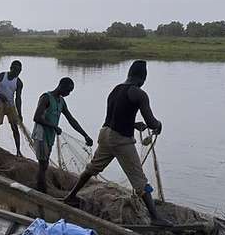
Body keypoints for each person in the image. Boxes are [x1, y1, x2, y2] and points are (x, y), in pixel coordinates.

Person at [63, 60, 169, 225]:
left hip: (105, 134)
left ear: (129, 74)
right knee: (139, 180)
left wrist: (134, 124)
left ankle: (70, 196)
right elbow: (152, 121)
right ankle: (156, 218)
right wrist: (158, 125)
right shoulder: (139, 93)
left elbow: (116, 116)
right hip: (121, 140)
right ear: (143, 78)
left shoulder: (116, 90)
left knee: (92, 168)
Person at [31, 77, 93, 193]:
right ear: (61, 86)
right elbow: (37, 117)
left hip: (50, 136)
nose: (68, 93)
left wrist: (85, 135)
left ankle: (40, 189)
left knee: (45, 164)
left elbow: (71, 119)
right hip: (41, 135)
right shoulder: (46, 98)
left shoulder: (61, 101)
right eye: (68, 90)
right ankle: (40, 191)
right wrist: (54, 127)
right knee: (43, 164)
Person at [0, 60, 24, 156]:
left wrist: (20, 113)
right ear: (11, 68)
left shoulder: (18, 82)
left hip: (11, 107)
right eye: (15, 70)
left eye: (19, 71)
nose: (17, 73)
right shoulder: (1, 76)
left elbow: (18, 99)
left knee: (15, 128)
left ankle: (18, 151)